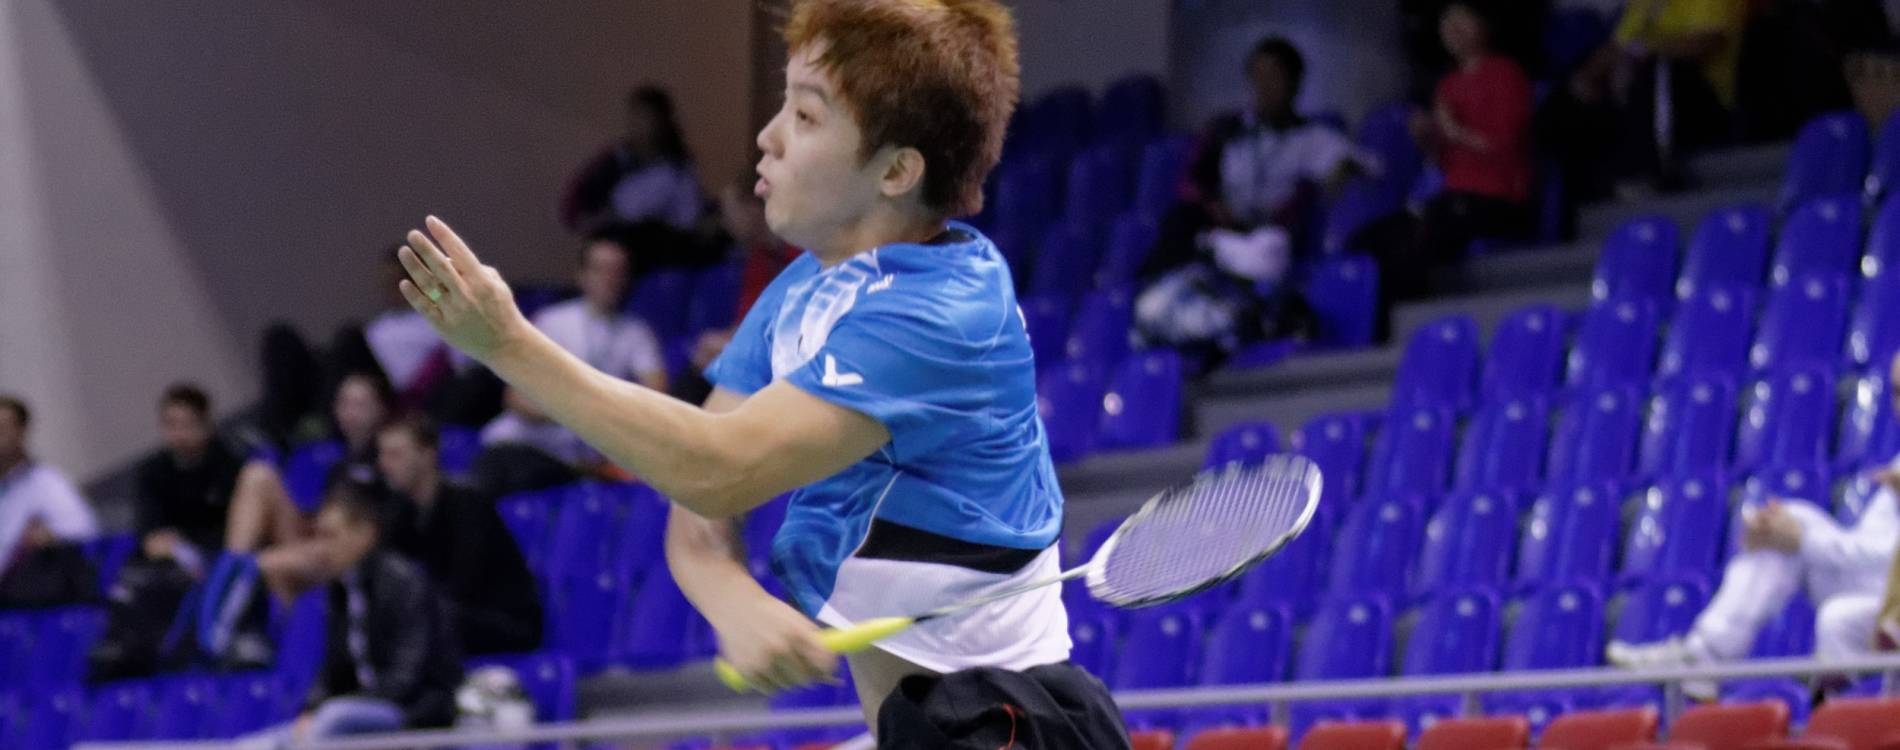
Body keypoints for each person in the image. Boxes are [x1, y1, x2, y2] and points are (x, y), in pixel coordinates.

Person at [391, 0, 1128, 745]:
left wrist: (512, 347)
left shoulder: (938, 313)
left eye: (805, 117)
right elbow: (696, 505)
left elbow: (717, 468)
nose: (766, 138)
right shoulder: (807, 290)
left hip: (1013, 723)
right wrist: (730, 596)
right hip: (922, 725)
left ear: (897, 170)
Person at [1608, 360, 1900, 698]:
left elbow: (1891, 560)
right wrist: (1793, 536)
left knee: (1834, 609)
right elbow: (1873, 550)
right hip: (1877, 589)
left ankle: (1847, 712)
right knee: (1789, 521)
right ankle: (1704, 656)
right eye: (1896, 392)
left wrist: (1804, 540)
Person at [245, 480, 463, 746]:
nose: (322, 547)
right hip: (356, 709)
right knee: (257, 744)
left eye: (331, 536)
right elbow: (332, 671)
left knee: (334, 718)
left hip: (412, 709)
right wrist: (311, 709)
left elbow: (407, 679)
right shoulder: (339, 588)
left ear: (365, 533)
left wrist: (338, 706)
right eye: (318, 536)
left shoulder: (405, 583)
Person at [1385, 0, 1534, 297]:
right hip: (1453, 196)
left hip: (1499, 197)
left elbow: (1506, 146)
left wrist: (1455, 131)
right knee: (1381, 234)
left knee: (1431, 229)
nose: (1453, 28)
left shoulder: (1505, 73)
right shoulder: (1447, 86)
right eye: (1446, 22)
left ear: (1484, 25)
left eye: (1462, 19)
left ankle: (1419, 308)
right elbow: (1442, 163)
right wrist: (1427, 138)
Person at [480, 235, 666, 471]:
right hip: (526, 441)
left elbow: (656, 394)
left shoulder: (637, 333)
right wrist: (573, 413)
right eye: (600, 269)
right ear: (582, 275)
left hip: (586, 451)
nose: (609, 279)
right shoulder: (552, 320)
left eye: (617, 271)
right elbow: (514, 397)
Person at [379, 415, 542, 655]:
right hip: (452, 618)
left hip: (502, 620)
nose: (384, 464)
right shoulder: (402, 512)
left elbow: (465, 583)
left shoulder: (468, 504)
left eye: (395, 454)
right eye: (382, 454)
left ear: (427, 455)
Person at [134, 383, 297, 579]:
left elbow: (243, 526)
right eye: (171, 425)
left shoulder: (231, 461)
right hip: (181, 564)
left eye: (187, 425)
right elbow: (147, 530)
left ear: (206, 424)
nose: (179, 435)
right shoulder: (152, 472)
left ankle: (227, 580)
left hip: (230, 552)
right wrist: (161, 543)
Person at [1608, 0, 1749, 190]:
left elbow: (1710, 41)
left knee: (1660, 66)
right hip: (1648, 97)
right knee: (1584, 84)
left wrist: (1649, 49)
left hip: (1708, 106)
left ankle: (1655, 167)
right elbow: (1619, 47)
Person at [0, 395, 99, 608]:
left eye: (3, 428)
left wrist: (49, 535)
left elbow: (83, 529)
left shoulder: (46, 481)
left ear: (21, 431)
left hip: (22, 595)